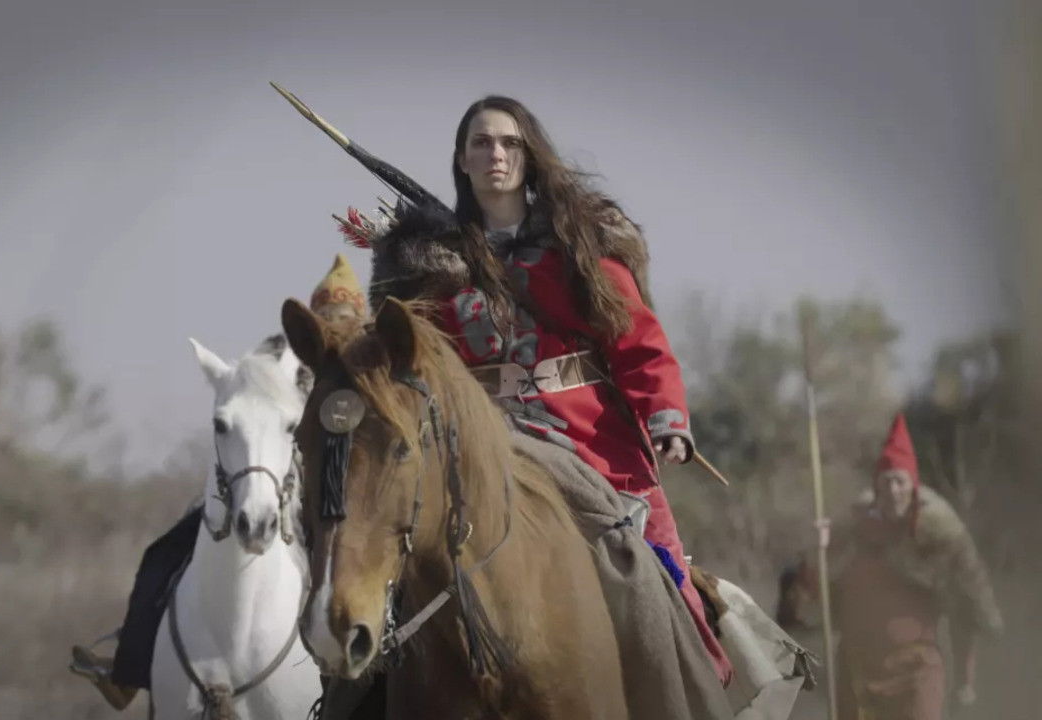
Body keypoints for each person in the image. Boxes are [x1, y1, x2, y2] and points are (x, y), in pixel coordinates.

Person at [367, 95, 733, 684]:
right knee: (384, 567)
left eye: (510, 142)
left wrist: (667, 418)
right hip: (478, 442)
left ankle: (690, 686)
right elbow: (411, 362)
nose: (496, 154)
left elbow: (638, 341)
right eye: (482, 142)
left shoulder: (581, 245)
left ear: (529, 154)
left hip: (589, 438)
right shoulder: (431, 264)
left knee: (663, 574)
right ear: (461, 159)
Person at [69, 254, 367, 710]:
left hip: (335, 500)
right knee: (162, 555)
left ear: (358, 321)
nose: (333, 328)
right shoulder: (279, 357)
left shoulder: (363, 372)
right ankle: (127, 671)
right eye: (325, 319)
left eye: (343, 320)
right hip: (262, 487)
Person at [823, 414, 1002, 719]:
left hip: (917, 669)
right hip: (859, 670)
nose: (893, 490)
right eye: (886, 481)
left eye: (900, 481)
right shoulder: (852, 533)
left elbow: (968, 608)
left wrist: (965, 680)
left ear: (913, 486)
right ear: (877, 488)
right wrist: (822, 548)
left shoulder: (939, 536)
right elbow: (815, 596)